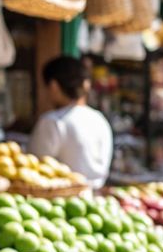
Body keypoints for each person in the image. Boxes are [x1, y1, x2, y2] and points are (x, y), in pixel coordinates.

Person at [30, 56, 113, 188]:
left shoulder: (53, 121)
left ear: (53, 86)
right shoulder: (99, 119)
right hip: (97, 200)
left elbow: (33, 168)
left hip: (61, 203)